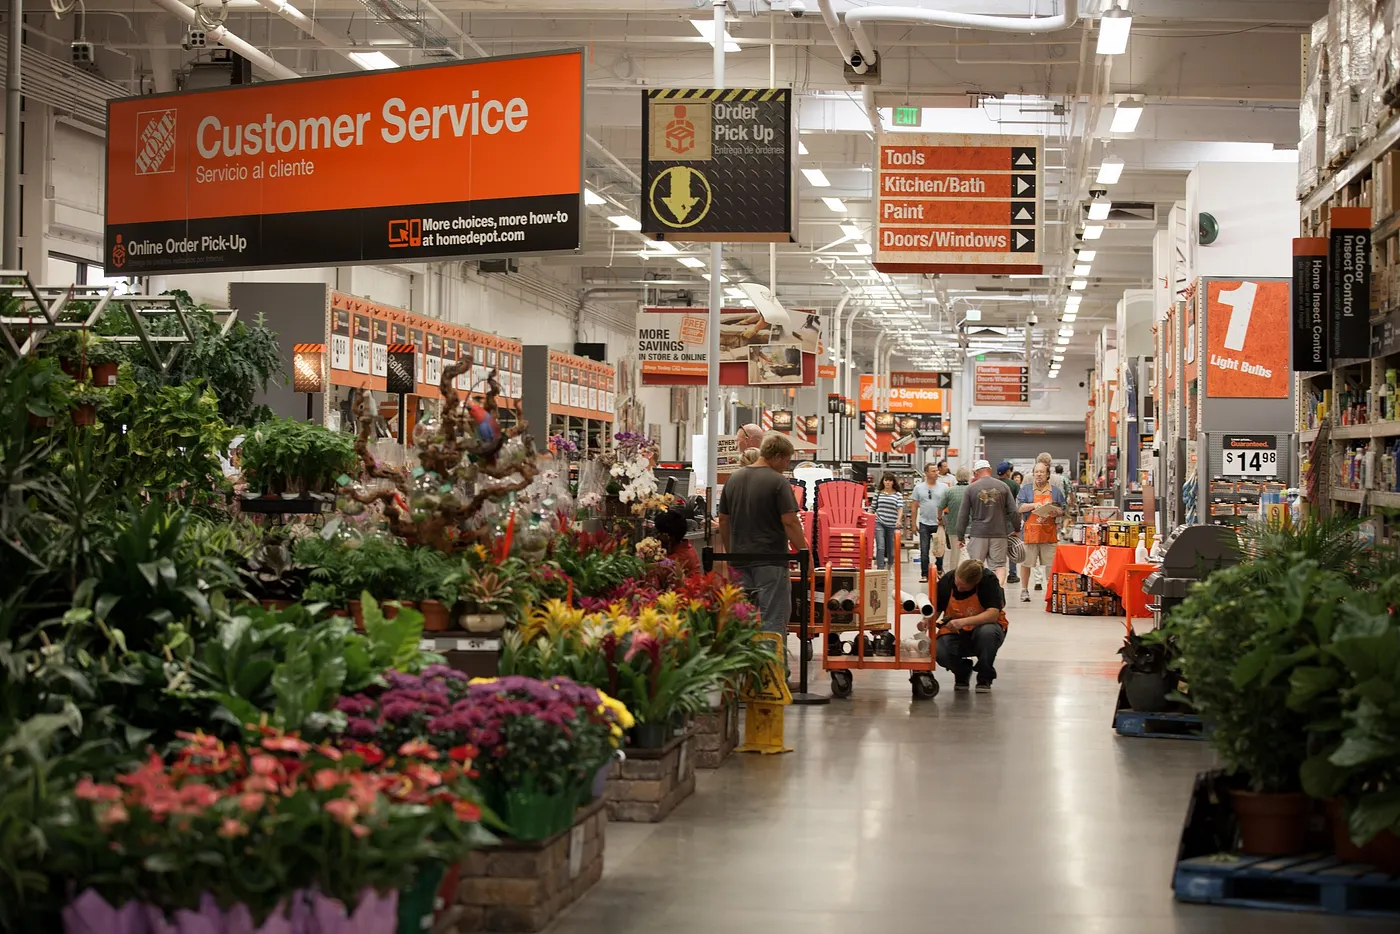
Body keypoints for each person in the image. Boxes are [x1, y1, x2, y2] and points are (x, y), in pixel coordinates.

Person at [718, 432, 809, 671]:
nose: (787, 466)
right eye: (787, 461)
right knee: (772, 617)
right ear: (777, 456)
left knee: (742, 618)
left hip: (739, 561)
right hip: (770, 560)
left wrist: (731, 553)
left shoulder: (734, 478)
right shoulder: (778, 482)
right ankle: (772, 676)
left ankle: (743, 673)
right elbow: (790, 521)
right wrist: (804, 552)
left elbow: (724, 521)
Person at [928, 559, 1009, 692]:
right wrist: (927, 621)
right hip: (954, 629)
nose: (959, 589)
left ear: (976, 583)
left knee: (988, 633)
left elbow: (993, 614)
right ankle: (962, 671)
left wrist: (963, 622)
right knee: (939, 651)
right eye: (957, 584)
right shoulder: (947, 581)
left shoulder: (988, 581)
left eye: (964, 588)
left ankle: (984, 677)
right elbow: (936, 609)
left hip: (983, 627)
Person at [954, 459, 1020, 585]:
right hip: (999, 534)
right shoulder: (1003, 486)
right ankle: (998, 590)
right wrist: (1017, 529)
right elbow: (1013, 512)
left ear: (976, 473)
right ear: (990, 470)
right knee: (999, 565)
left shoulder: (971, 488)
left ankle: (978, 595)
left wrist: (960, 536)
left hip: (978, 534)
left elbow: (963, 515)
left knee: (975, 567)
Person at [1015, 462, 1066, 602]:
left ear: (1047, 474)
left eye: (1041, 472)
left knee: (1051, 564)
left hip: (1049, 533)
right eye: (1036, 472)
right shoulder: (1025, 489)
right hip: (1030, 533)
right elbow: (1019, 508)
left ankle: (1052, 591)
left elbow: (1063, 509)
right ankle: (1024, 590)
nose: (1038, 474)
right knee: (1026, 563)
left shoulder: (1055, 491)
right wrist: (1034, 505)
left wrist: (1057, 512)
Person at [911, 463, 944, 583]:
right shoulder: (918, 488)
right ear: (926, 473)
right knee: (924, 550)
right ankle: (924, 574)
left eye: (937, 471)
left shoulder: (944, 487)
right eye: (933, 471)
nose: (937, 473)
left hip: (939, 524)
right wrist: (913, 524)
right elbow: (914, 507)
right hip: (924, 523)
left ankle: (939, 570)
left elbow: (947, 505)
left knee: (939, 550)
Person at [938, 465, 972, 572]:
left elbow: (940, 507)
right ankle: (968, 574)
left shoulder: (949, 491)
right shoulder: (973, 490)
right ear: (968, 477)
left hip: (953, 528)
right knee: (968, 553)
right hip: (971, 528)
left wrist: (940, 519)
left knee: (955, 553)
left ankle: (953, 574)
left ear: (956, 477)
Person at [653, 507, 702, 578]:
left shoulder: (680, 557)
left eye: (659, 533)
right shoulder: (685, 546)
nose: (657, 536)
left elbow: (652, 570)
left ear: (669, 536)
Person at [872, 472, 905, 570]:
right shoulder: (878, 493)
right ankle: (880, 569)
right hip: (879, 521)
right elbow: (873, 508)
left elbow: (900, 508)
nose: (888, 482)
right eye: (886, 480)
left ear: (893, 482)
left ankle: (889, 566)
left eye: (890, 480)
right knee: (880, 546)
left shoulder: (898, 495)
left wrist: (899, 520)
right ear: (883, 481)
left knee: (891, 549)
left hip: (892, 523)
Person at [995, 461, 1021, 583]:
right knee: (1012, 547)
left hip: (996, 520)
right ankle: (1012, 574)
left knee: (997, 548)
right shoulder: (1014, 485)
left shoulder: (994, 484)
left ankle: (997, 572)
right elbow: (1017, 503)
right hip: (1010, 520)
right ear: (1008, 472)